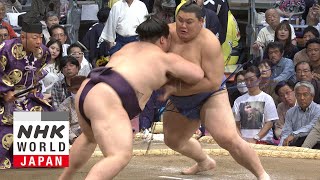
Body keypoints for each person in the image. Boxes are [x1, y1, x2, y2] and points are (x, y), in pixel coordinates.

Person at [58, 16, 204, 180]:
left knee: (89, 138)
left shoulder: (127, 47)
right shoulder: (166, 59)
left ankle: (64, 178)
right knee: (119, 155)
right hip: (108, 97)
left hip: (87, 90)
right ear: (163, 39)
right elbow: (197, 75)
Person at [162, 2, 270, 179]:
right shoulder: (166, 34)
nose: (182, 25)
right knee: (172, 140)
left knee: (227, 138)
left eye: (189, 22)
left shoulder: (209, 42)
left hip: (209, 95)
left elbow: (211, 83)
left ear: (201, 22)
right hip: (179, 96)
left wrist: (176, 89)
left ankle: (262, 175)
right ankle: (204, 161)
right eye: (179, 20)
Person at [0, 14, 52, 169]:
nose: (39, 42)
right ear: (23, 37)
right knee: (6, 126)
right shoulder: (5, 49)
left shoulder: (43, 51)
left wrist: (35, 88)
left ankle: (40, 159)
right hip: (5, 97)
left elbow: (38, 72)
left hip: (28, 96)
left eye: (41, 38)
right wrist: (6, 90)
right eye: (35, 38)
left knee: (48, 113)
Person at [233, 66, 278, 145]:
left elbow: (269, 123)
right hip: (243, 141)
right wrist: (240, 138)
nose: (249, 83)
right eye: (246, 80)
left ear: (259, 79)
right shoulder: (238, 100)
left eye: (252, 80)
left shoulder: (267, 98)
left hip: (262, 140)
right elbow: (236, 123)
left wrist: (256, 138)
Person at [279, 81, 320, 146]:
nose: (302, 98)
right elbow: (286, 132)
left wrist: (293, 135)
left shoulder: (318, 110)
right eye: (298, 95)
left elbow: (312, 127)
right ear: (295, 96)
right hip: (294, 143)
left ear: (312, 96)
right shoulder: (290, 112)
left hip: (314, 144)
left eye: (305, 94)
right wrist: (281, 147)